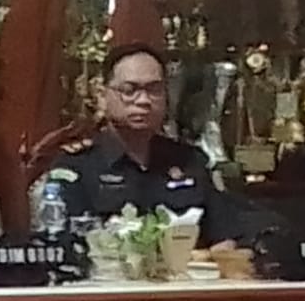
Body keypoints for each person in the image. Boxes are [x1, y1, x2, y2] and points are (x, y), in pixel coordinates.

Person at [41, 42, 272, 248]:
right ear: (102, 95)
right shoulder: (77, 166)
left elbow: (226, 237)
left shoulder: (190, 162)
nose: (143, 101)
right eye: (129, 91)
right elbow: (62, 244)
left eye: (154, 90)